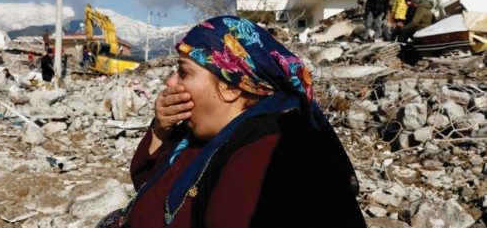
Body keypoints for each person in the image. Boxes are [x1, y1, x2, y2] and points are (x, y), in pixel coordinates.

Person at [96, 16, 366, 227]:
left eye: (183, 72)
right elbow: (147, 180)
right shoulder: (207, 133)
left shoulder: (261, 157)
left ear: (231, 87)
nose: (170, 82)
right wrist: (160, 128)